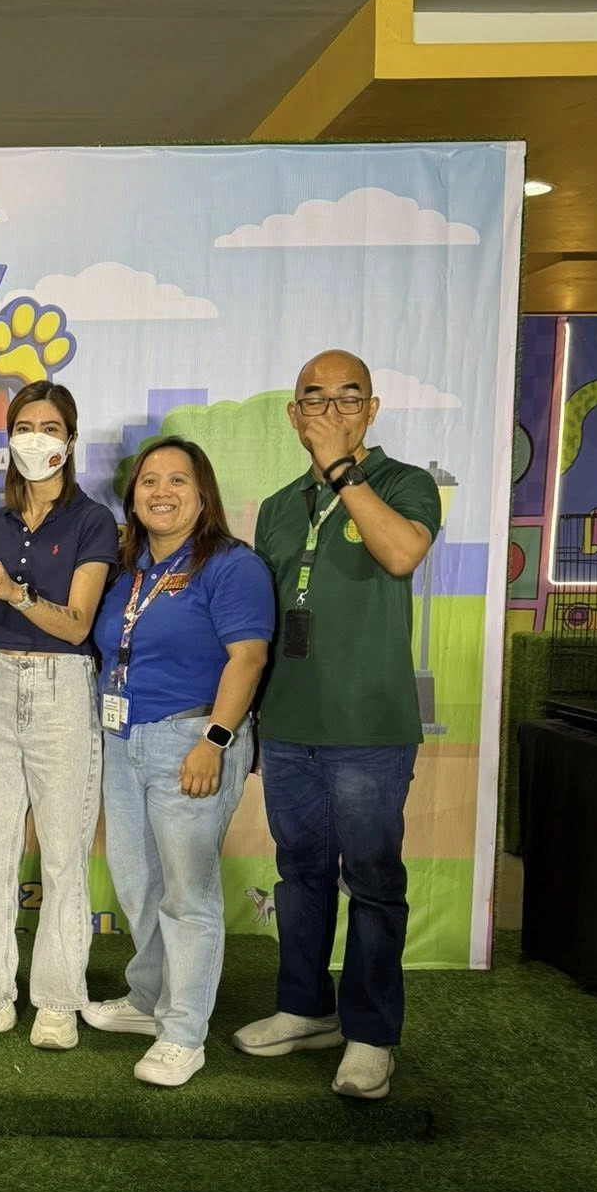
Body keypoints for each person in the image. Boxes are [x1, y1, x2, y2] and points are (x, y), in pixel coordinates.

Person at [233, 352, 441, 1101]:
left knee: (375, 882)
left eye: (346, 397)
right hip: (289, 726)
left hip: (371, 729)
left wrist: (343, 472)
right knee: (302, 874)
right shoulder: (281, 504)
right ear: (293, 417)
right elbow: (261, 616)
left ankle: (372, 1032)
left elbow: (400, 552)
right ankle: (305, 1006)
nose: (328, 410)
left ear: (372, 409)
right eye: (312, 399)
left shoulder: (402, 482)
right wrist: (250, 716)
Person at [89, 437, 273, 1087]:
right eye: (148, 481)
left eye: (177, 481)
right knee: (138, 882)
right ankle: (148, 999)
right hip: (121, 741)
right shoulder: (127, 568)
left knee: (188, 895)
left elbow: (247, 658)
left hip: (191, 740)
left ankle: (184, 1032)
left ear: (203, 495)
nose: (160, 491)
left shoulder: (231, 566)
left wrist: (215, 741)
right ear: (132, 495)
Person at [0, 382, 119, 1051]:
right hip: (3, 686)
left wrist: (14, 590)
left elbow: (75, 626)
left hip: (63, 688)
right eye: (24, 425)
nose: (36, 438)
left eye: (50, 427)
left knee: (63, 852)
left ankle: (56, 1000)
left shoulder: (92, 520)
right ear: (8, 436)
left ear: (70, 441)